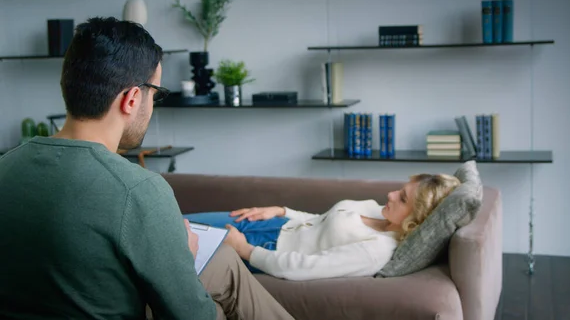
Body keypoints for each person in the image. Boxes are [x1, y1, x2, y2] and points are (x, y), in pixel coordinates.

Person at [0, 17, 293, 320]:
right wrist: (185, 258)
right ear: (132, 99)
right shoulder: (137, 190)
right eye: (155, 94)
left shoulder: (6, 167)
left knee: (223, 263)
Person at [186, 173, 461, 281]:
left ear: (416, 219)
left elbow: (303, 267)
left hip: (262, 250)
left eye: (402, 198)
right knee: (178, 220)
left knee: (171, 238)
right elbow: (320, 220)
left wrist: (245, 250)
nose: (390, 194)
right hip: (273, 224)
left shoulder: (377, 251)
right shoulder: (381, 213)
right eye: (400, 189)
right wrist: (282, 210)